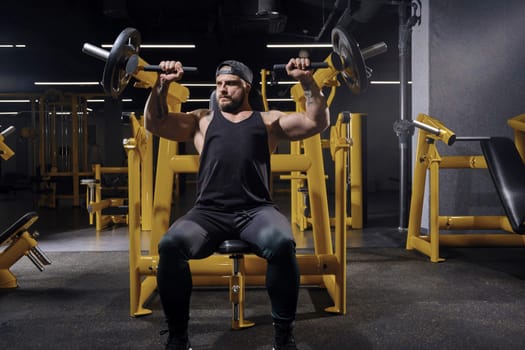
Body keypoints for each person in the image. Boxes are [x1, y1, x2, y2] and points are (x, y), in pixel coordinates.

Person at [144, 57, 329, 350]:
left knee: (282, 244)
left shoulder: (268, 121)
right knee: (169, 246)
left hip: (256, 211)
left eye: (230, 84)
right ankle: (178, 337)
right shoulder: (201, 121)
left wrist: (306, 80)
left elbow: (315, 122)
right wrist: (161, 85)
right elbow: (155, 122)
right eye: (218, 85)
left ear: (246, 86)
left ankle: (283, 336)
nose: (222, 90)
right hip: (208, 213)